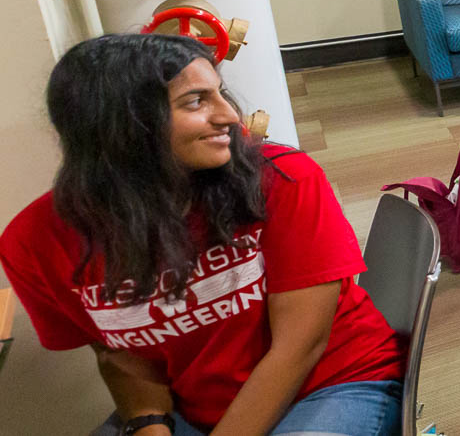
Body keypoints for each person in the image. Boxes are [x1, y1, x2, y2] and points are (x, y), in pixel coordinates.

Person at [0, 34, 406, 436]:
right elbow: (117, 353)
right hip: (190, 410)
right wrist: (148, 425)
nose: (229, 115)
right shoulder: (33, 243)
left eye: (220, 93)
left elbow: (300, 346)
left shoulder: (281, 179)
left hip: (331, 384)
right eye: (196, 101)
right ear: (121, 124)